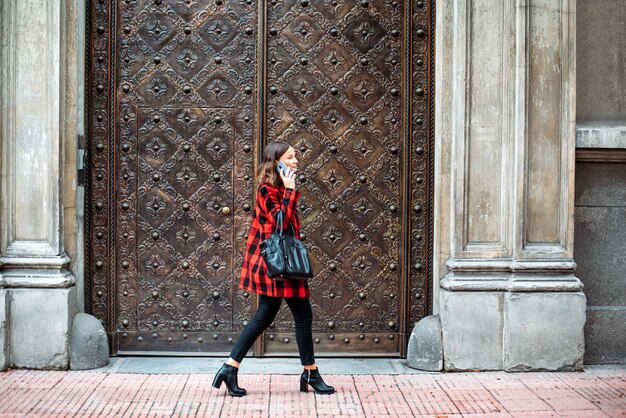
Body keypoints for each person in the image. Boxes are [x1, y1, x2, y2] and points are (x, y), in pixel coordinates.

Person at [212, 141, 335, 397]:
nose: (296, 161)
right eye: (291, 158)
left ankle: (230, 368)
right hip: (275, 264)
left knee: (277, 316)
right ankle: (309, 373)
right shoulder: (267, 191)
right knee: (289, 316)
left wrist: (289, 190)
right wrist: (290, 190)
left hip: (284, 264)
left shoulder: (277, 189)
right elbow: (281, 221)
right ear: (276, 162)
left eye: (295, 157)